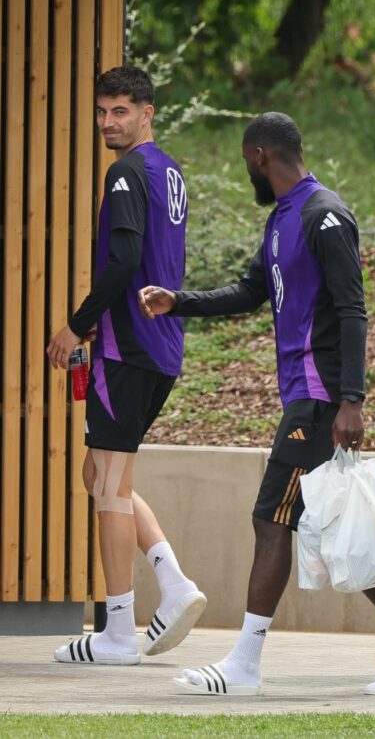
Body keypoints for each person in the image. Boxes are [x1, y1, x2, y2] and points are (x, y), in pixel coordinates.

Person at [138, 112, 375, 697]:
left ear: (259, 156)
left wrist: (351, 401)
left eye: (244, 162)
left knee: (270, 518)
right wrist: (179, 301)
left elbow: (353, 310)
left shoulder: (322, 214)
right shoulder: (283, 217)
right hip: (308, 398)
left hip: (321, 400)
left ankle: (245, 664)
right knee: (328, 528)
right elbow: (253, 290)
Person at [47, 65, 206, 666]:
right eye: (101, 111)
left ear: (148, 113)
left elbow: (122, 261)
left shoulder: (125, 173)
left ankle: (117, 630)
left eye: (120, 111)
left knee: (110, 489)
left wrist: (78, 324)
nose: (108, 122)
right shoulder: (169, 173)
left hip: (126, 347)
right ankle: (174, 583)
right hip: (160, 348)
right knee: (100, 475)